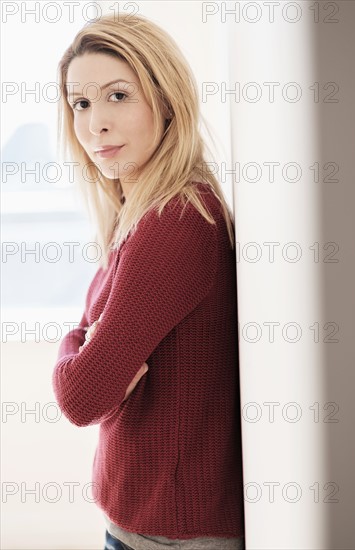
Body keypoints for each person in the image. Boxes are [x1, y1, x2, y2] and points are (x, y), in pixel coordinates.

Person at [52, 12, 245, 550]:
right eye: (81, 104)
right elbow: (98, 373)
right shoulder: (137, 213)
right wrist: (88, 345)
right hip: (145, 523)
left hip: (171, 534)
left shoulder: (177, 218)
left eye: (117, 96)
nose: (94, 125)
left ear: (165, 100)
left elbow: (82, 395)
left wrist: (77, 344)